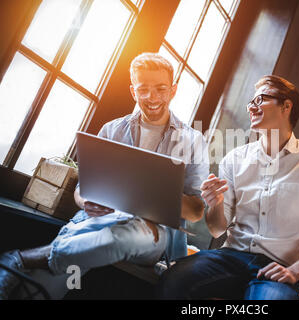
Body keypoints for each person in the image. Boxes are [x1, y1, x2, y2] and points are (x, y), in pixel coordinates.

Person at [0, 53, 209, 299]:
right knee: (43, 288)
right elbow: (82, 189)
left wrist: (149, 192)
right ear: (133, 91)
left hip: (153, 232)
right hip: (97, 221)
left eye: (160, 89)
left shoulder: (193, 140)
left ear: (173, 90)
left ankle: (22, 258)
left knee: (120, 238)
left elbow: (196, 210)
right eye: (143, 89)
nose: (151, 97)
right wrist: (84, 201)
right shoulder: (112, 129)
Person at [158, 75, 299, 300]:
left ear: (286, 106)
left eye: (260, 100)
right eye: (250, 103)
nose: (251, 107)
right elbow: (217, 229)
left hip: (278, 268)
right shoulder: (234, 159)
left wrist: (296, 271)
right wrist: (215, 204)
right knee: (173, 279)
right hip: (228, 258)